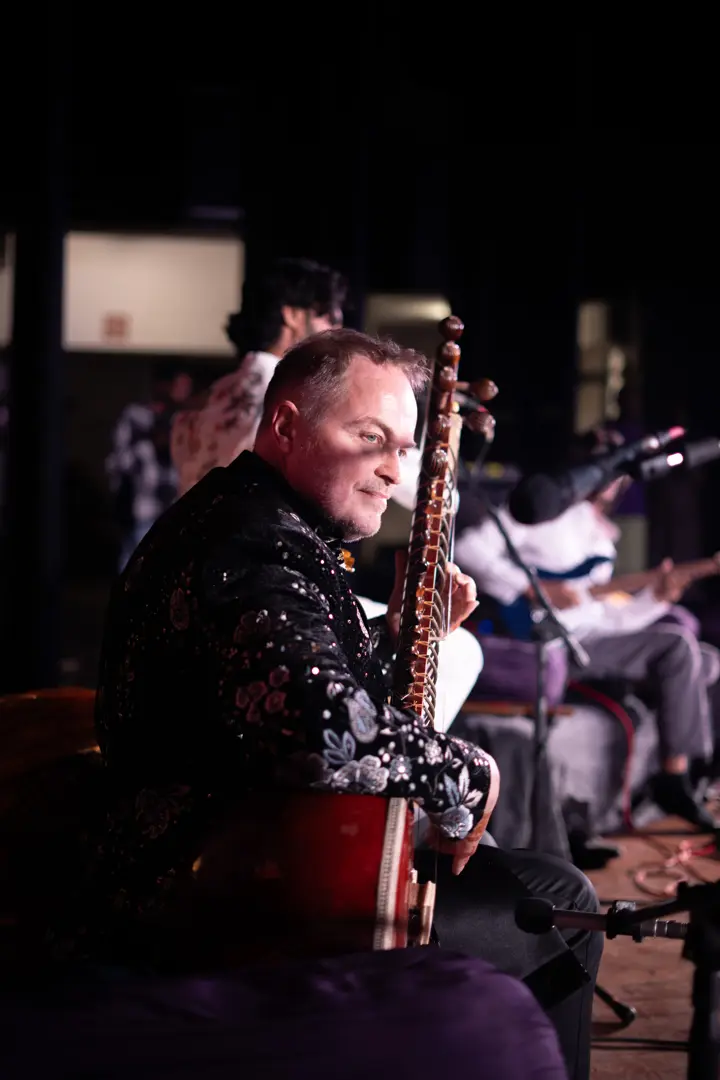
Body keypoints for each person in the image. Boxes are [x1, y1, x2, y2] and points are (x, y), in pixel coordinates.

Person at [85, 329, 601, 1080]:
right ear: (286, 426)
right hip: (214, 892)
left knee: (540, 886)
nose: (393, 470)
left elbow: (285, 696)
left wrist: (398, 637)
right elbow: (320, 726)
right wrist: (470, 772)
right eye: (370, 438)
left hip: (256, 854)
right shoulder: (253, 543)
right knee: (556, 903)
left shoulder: (258, 519)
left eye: (403, 448)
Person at [171, 255, 483, 729]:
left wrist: (395, 633)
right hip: (244, 589)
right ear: (293, 315)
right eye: (330, 318)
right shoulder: (308, 398)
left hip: (192, 596)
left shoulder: (203, 405)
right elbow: (428, 491)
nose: (391, 468)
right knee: (462, 650)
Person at [455, 428, 717, 829]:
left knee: (706, 658)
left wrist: (657, 598)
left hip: (591, 638)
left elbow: (605, 616)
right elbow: (469, 549)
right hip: (548, 641)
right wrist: (531, 589)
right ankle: (674, 775)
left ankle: (697, 773)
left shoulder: (602, 538)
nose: (614, 481)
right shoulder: (543, 511)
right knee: (679, 645)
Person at [107, 365, 194, 570]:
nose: (184, 392)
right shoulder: (135, 416)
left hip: (176, 507)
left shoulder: (184, 418)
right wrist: (150, 445)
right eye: (180, 386)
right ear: (163, 385)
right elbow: (118, 461)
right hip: (143, 508)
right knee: (134, 566)